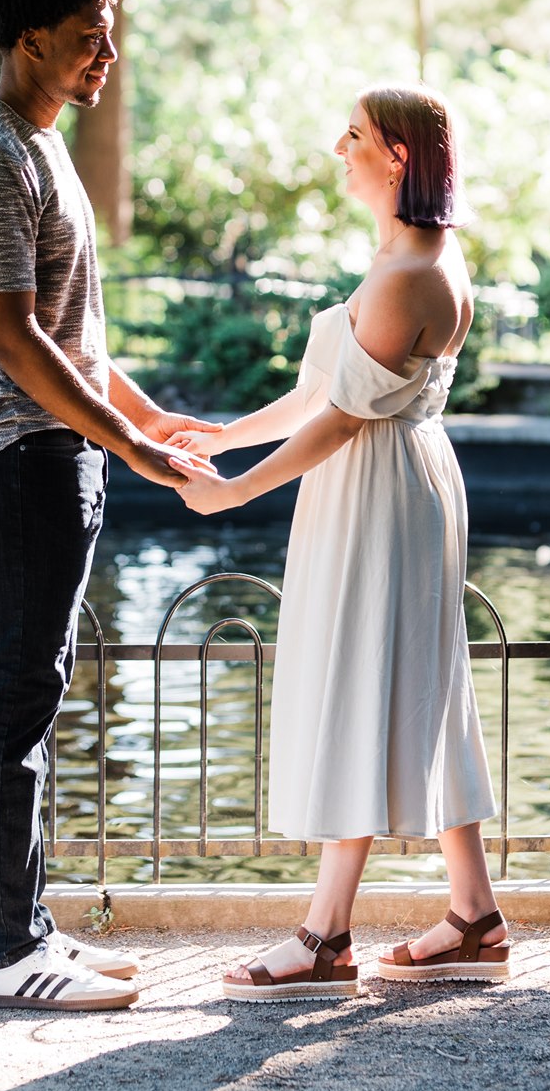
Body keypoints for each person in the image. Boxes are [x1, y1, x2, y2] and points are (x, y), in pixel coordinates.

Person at [0, 0, 216, 1011]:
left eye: (109, 31)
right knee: (8, 703)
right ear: (29, 38)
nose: (109, 53)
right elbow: (12, 337)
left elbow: (72, 333)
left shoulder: (39, 145)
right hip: (10, 454)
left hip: (50, 450)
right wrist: (130, 448)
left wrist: (144, 419)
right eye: (90, 35)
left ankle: (27, 927)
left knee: (31, 699)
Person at [175, 85, 506, 996]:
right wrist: (219, 432)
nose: (338, 147)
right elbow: (319, 396)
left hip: (381, 488)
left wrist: (235, 492)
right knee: (421, 688)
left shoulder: (411, 275)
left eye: (354, 135)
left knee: (363, 682)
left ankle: (326, 938)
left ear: (397, 155)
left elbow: (344, 421)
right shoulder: (404, 255)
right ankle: (475, 918)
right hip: (382, 482)